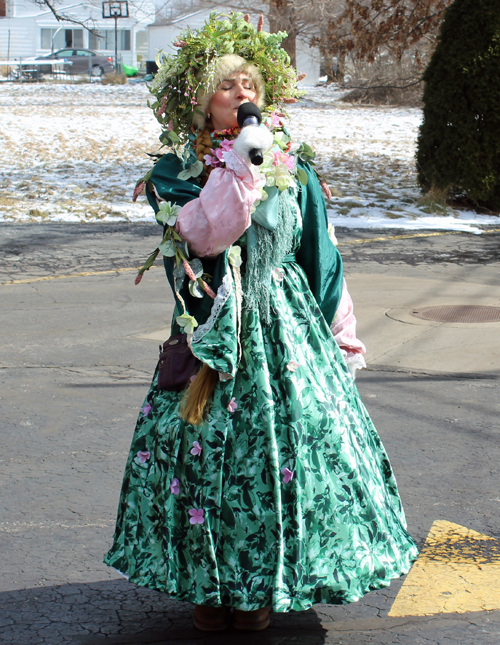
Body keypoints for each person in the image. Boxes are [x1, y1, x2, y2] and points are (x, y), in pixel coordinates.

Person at [104, 12, 418, 633]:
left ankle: (264, 584)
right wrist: (242, 167)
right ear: (200, 103)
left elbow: (320, 256)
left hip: (288, 330)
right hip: (217, 332)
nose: (242, 93)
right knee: (205, 456)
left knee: (286, 456)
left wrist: (341, 335)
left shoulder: (293, 167)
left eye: (250, 82)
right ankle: (208, 584)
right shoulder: (174, 173)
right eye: (226, 85)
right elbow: (203, 235)